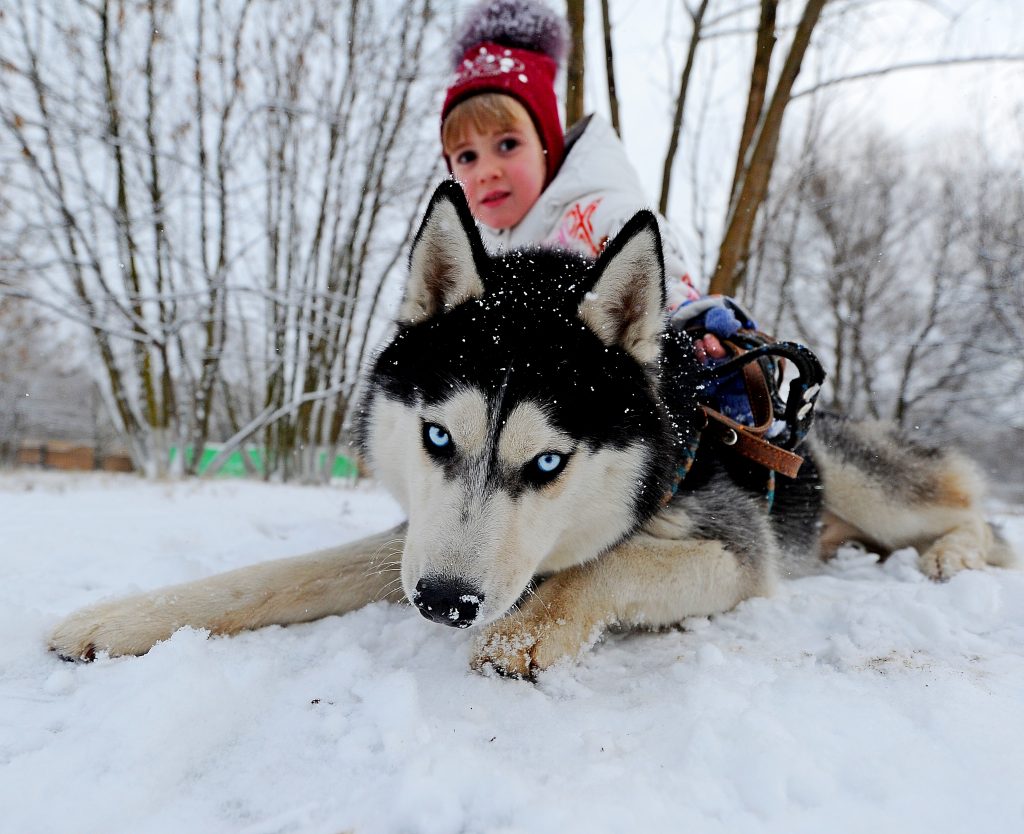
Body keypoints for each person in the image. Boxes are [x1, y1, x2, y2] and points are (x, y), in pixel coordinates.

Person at [439, 0, 730, 362]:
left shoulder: (601, 217)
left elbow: (659, 288)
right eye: (467, 156)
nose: (486, 171)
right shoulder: (476, 255)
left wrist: (693, 330)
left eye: (507, 144)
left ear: (546, 144)